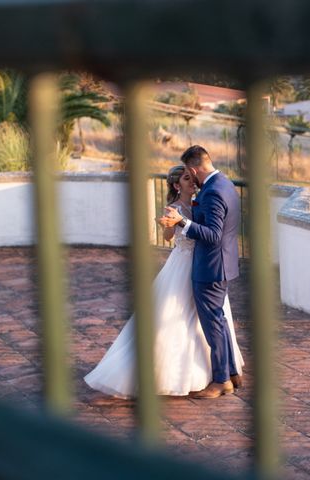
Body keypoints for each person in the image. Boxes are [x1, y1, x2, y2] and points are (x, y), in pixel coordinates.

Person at [84, 164, 244, 398]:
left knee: (212, 320)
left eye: (192, 177)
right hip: (183, 266)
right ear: (177, 185)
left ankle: (221, 370)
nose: (192, 182)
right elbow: (170, 237)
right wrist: (168, 226)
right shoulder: (174, 208)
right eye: (187, 179)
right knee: (177, 316)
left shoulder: (204, 199)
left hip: (207, 267)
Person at [159, 145, 242, 399]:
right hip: (221, 263)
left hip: (210, 266)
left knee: (213, 323)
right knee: (220, 320)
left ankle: (220, 381)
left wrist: (182, 221)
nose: (188, 177)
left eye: (187, 172)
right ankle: (232, 372)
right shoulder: (224, 183)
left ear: (194, 169)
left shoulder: (212, 193)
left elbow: (214, 235)